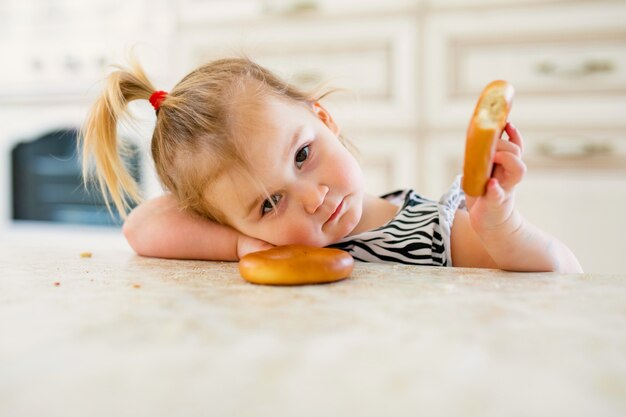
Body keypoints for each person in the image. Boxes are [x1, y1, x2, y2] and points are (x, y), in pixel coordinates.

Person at [80, 57, 582, 273]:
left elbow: (561, 273)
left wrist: (500, 224)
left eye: (302, 155)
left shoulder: (432, 232)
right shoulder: (274, 250)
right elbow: (141, 226)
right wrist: (240, 241)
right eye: (270, 203)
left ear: (323, 118)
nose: (313, 198)